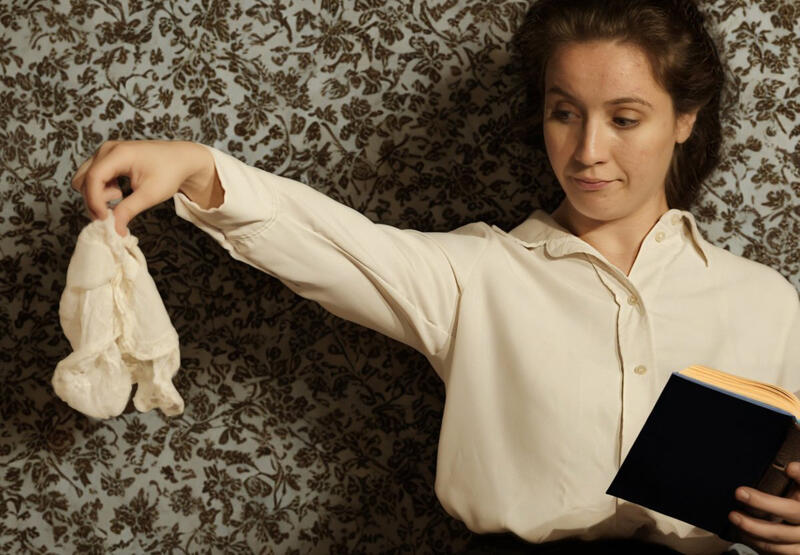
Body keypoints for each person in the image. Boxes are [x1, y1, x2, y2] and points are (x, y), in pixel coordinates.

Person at [71, 0, 800, 553]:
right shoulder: (475, 273)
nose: (587, 150)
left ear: (684, 120)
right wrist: (200, 168)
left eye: (625, 118)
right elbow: (329, 244)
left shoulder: (765, 302)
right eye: (564, 113)